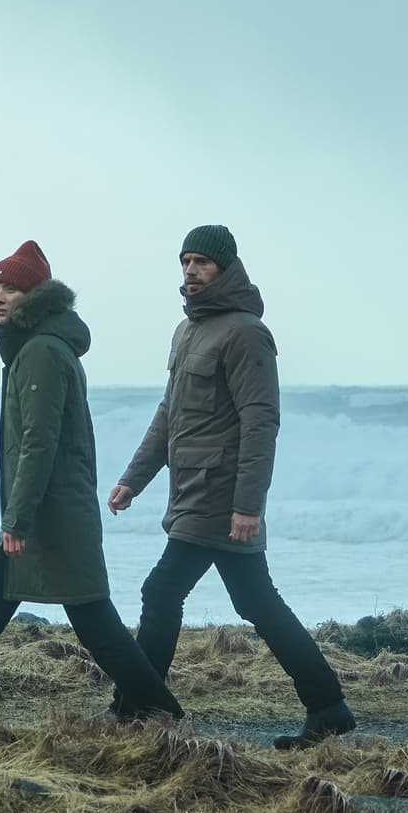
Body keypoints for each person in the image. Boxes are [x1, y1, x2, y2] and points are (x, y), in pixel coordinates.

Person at [0, 240, 186, 722]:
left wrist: (17, 520)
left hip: (49, 516)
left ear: (35, 298)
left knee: (91, 622)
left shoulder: (40, 352)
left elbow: (39, 443)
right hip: (46, 511)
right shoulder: (38, 347)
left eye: (10, 290)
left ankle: (157, 708)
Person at [113, 223, 357, 749]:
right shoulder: (187, 331)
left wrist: (248, 504)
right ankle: (328, 707)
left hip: (221, 496)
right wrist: (134, 479)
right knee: (256, 601)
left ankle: (140, 707)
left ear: (225, 268)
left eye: (202, 262)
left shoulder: (246, 333)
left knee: (162, 590)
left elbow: (260, 422)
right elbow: (169, 415)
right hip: (190, 492)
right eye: (185, 261)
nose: (191, 271)